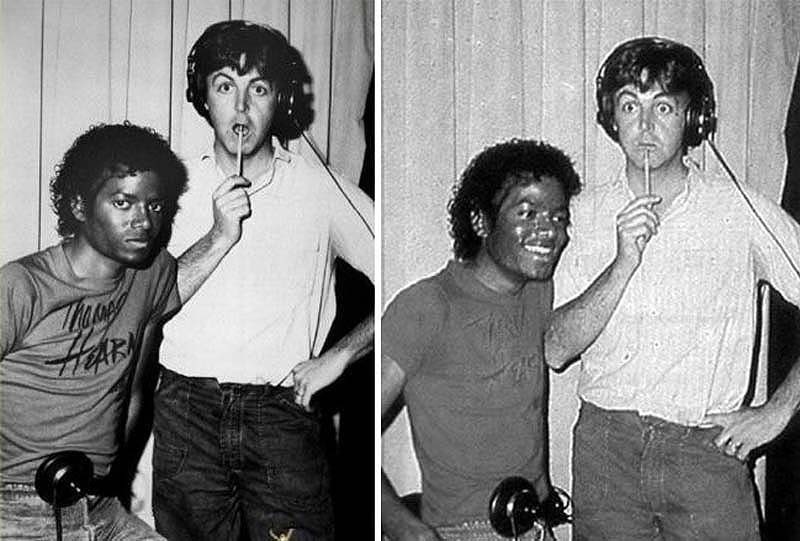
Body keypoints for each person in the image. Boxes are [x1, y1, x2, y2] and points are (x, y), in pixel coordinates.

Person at [546, 36, 800, 540]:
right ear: (610, 118)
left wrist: (779, 410)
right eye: (629, 106)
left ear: (692, 118)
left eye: (662, 106)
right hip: (606, 449)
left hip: (706, 453)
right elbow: (556, 349)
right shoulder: (584, 213)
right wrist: (623, 263)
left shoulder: (738, 210)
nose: (644, 125)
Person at [152, 20, 374, 540]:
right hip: (187, 412)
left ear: (281, 99)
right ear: (203, 98)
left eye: (258, 88)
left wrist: (341, 355)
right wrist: (218, 236)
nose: (241, 107)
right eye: (224, 86)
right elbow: (148, 304)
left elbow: (401, 279)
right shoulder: (172, 188)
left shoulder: (321, 190)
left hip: (282, 416)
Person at [381, 139, 582, 541]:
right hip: (463, 531)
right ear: (480, 221)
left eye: (558, 216)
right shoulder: (426, 305)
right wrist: (398, 523)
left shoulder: (537, 292)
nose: (549, 230)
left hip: (535, 525)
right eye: (527, 213)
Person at [0, 123, 188, 540]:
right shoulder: (21, 286)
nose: (144, 221)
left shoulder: (155, 274)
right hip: (15, 508)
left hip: (101, 505)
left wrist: (113, 480)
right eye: (123, 203)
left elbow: (134, 390)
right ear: (79, 206)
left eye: (155, 205)